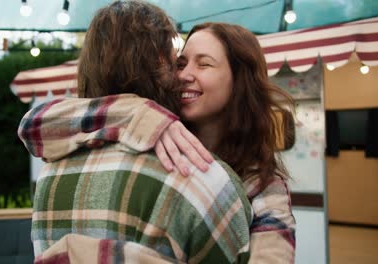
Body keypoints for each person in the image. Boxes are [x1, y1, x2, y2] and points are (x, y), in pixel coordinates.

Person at [19, 1, 253, 263]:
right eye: (178, 62)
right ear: (161, 63)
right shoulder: (204, 179)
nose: (183, 76)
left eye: (204, 65)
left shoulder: (50, 174)